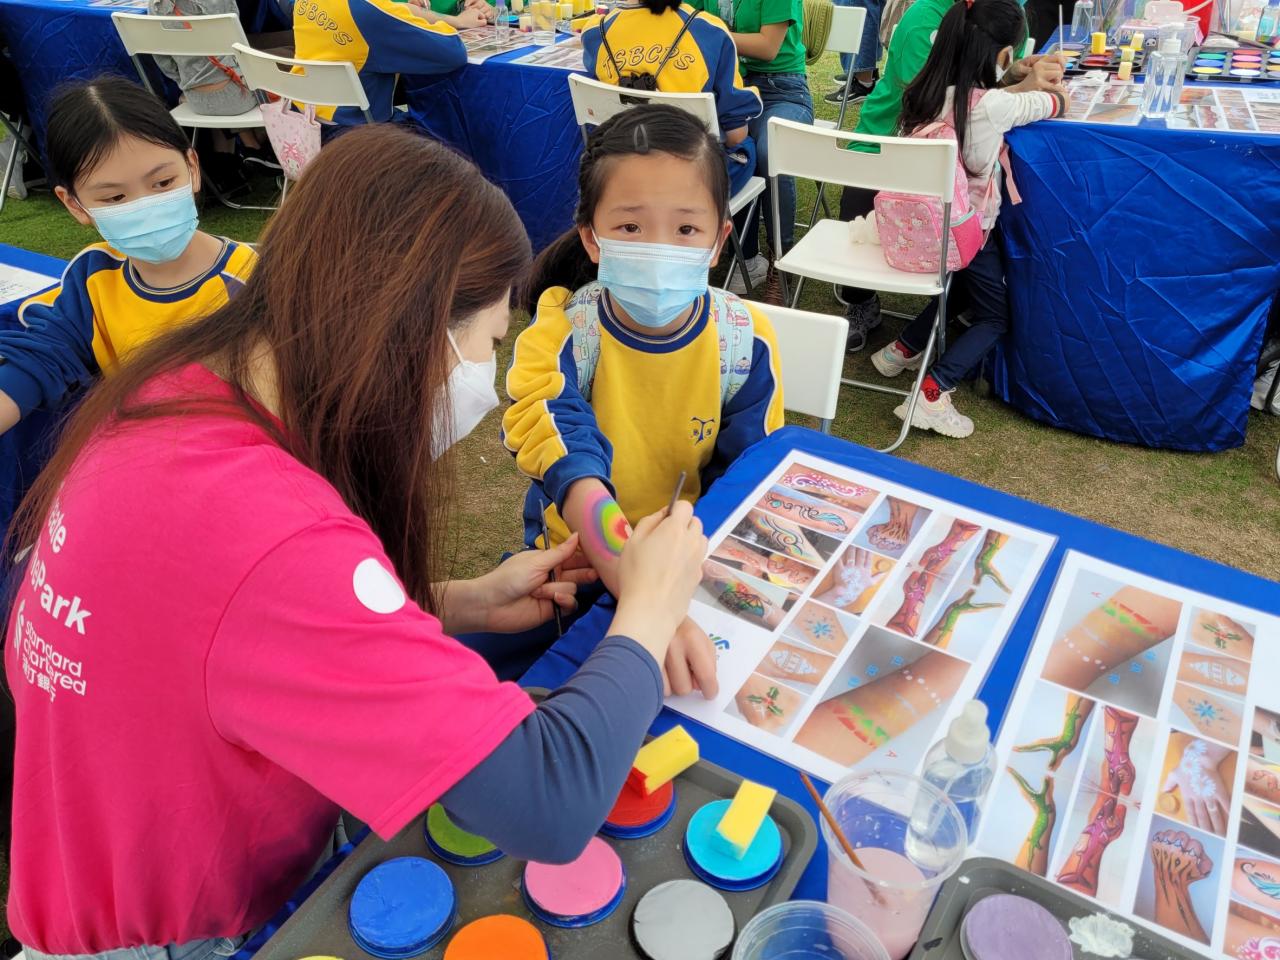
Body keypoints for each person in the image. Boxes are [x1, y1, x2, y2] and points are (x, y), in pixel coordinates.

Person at [4, 123, 708, 958]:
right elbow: (549, 803)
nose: (483, 385)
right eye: (486, 345)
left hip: (115, 876)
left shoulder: (174, 394)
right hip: (193, 930)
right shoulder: (271, 534)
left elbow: (218, 641)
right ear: (411, 329)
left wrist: (448, 605)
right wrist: (650, 609)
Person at [504, 104, 785, 697]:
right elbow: (564, 453)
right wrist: (644, 590)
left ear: (719, 240)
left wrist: (675, 583)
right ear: (592, 238)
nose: (659, 247)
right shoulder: (564, 333)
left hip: (689, 567)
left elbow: (746, 477)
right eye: (631, 228)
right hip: (577, 565)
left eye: (685, 230)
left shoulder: (744, 341)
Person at [0, 77, 257, 440]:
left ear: (192, 167)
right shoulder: (94, 277)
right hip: (145, 456)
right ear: (74, 204)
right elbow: (43, 356)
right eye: (115, 198)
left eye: (163, 183)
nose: (146, 207)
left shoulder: (256, 275)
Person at [866, 0, 1066, 437]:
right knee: (994, 316)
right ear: (1005, 55)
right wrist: (1039, 81)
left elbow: (989, 98)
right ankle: (933, 391)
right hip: (970, 229)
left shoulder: (926, 91)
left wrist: (1012, 80)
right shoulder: (992, 106)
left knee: (960, 289)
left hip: (926, 226)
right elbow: (1055, 103)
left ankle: (902, 349)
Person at [686, 0, 811, 292]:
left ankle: (781, 258)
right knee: (718, 148)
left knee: (768, 150)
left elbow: (768, 47)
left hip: (781, 87)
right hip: (727, 82)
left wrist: (711, 33)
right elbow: (682, 19)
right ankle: (746, 255)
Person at [581, 0, 762, 196]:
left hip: (619, 167)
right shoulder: (710, 31)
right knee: (746, 148)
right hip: (690, 174)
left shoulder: (595, 32)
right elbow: (736, 134)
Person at [292, 0, 473, 124]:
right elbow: (453, 52)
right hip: (359, 129)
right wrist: (457, 21)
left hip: (303, 117)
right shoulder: (367, 11)